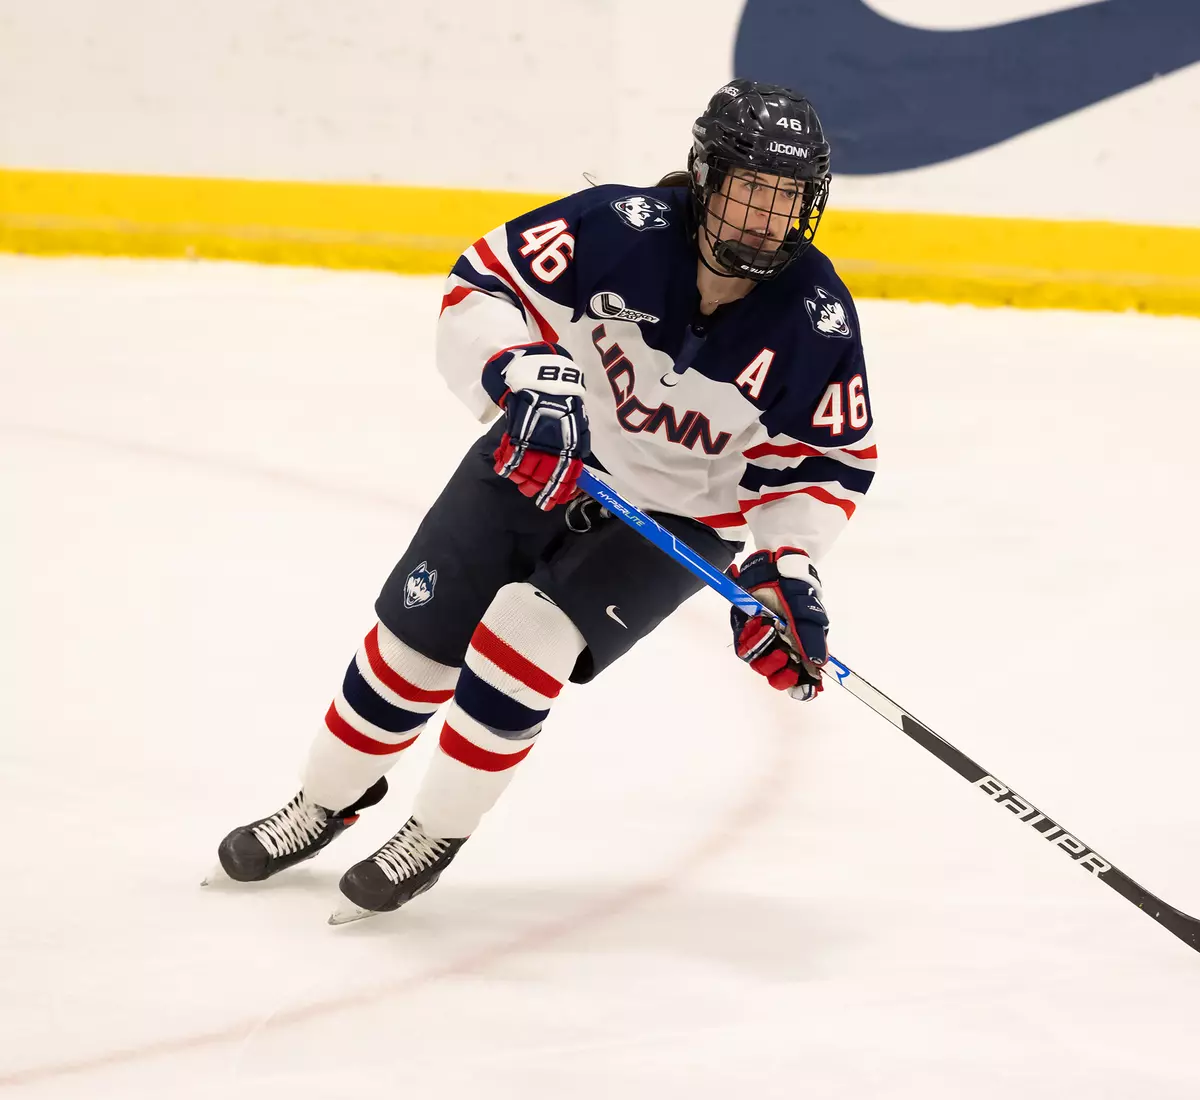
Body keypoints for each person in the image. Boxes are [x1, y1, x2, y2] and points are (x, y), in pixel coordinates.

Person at [211, 80, 877, 921]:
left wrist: (788, 561)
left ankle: (435, 829)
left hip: (678, 518)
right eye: (750, 188)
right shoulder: (618, 228)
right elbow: (480, 286)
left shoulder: (815, 318)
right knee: (413, 647)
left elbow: (824, 464)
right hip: (544, 451)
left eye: (787, 200)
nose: (765, 218)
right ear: (708, 177)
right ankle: (322, 802)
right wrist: (528, 377)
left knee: (526, 636)